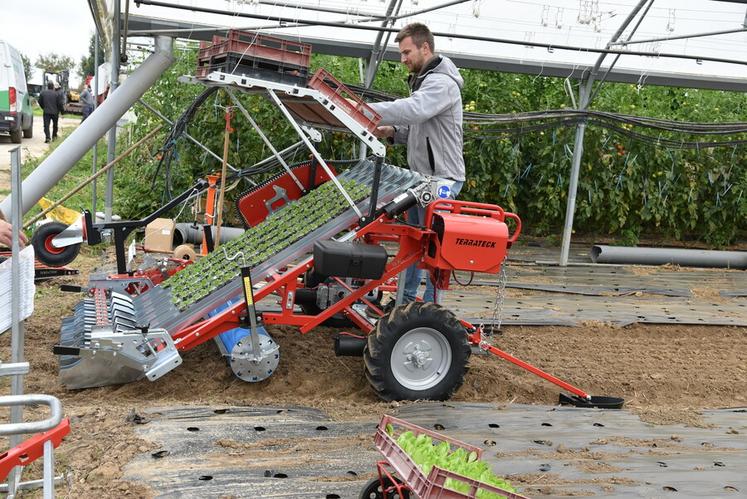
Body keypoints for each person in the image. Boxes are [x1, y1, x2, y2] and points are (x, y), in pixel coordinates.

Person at [368, 23, 466, 304]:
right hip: (422, 179)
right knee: (413, 242)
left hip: (442, 180)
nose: (403, 59)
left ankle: (431, 308)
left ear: (425, 48)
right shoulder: (426, 80)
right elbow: (419, 129)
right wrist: (393, 132)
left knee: (432, 246)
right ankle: (406, 301)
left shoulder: (442, 83)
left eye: (407, 52)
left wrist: (366, 111)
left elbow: (413, 110)